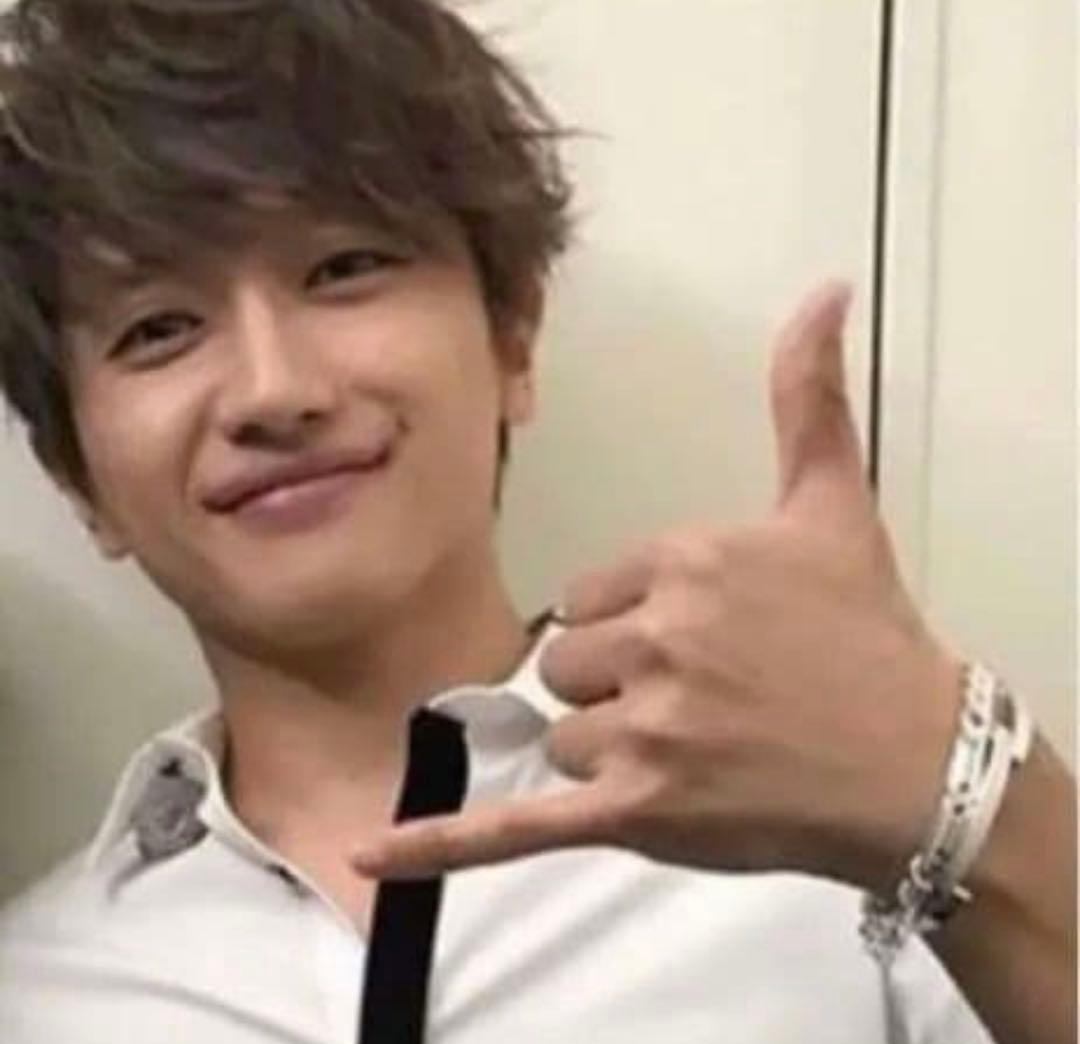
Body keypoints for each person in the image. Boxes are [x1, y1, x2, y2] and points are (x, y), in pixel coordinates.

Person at [0, 1, 1073, 1043]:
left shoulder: (839, 839)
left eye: (343, 268)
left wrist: (979, 808)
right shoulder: (35, 993)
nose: (274, 390)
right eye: (158, 329)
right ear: (76, 476)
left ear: (512, 331)